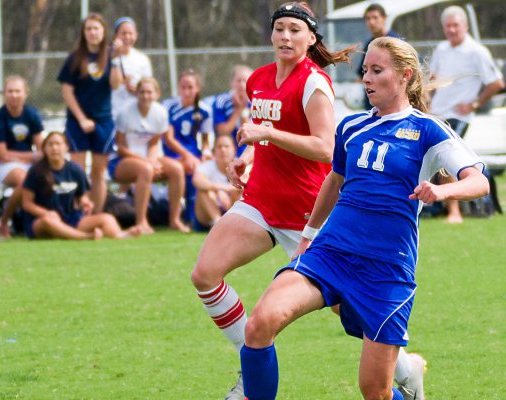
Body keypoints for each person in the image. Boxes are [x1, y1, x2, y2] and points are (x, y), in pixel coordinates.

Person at [241, 36, 488, 400]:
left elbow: (479, 181)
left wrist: (442, 191)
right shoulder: (351, 126)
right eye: (365, 71)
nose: (366, 79)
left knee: (375, 391)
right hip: (330, 253)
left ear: (404, 76)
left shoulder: (428, 129)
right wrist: (309, 234)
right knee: (259, 325)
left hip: (385, 269)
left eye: (376, 70)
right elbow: (334, 181)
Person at [187, 4, 352, 399]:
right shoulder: (259, 79)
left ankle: (405, 370)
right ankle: (252, 366)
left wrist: (267, 135)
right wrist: (247, 157)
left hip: (306, 212)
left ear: (311, 39)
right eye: (279, 28)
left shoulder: (314, 83)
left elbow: (325, 147)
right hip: (260, 202)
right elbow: (264, 137)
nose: (285, 36)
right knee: (205, 275)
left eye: (295, 29)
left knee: (350, 312)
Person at [428, 5, 504, 224]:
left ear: (465, 26)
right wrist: (426, 100)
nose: (451, 30)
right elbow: (433, 77)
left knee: (445, 157)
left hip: (458, 116)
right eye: (448, 26)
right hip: (437, 113)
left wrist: (474, 104)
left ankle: (455, 212)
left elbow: (496, 83)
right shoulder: (442, 49)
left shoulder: (476, 51)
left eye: (455, 25)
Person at [58, 12, 123, 215]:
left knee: (98, 172)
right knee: (77, 170)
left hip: (102, 120)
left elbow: (115, 84)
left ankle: (97, 216)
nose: (93, 33)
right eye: (89, 29)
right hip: (79, 121)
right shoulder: (75, 58)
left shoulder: (111, 56)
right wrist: (82, 119)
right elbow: (67, 91)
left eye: (96, 28)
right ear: (83, 33)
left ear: (104, 32)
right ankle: (78, 213)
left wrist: (116, 60)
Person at [22, 131, 139, 240]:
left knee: (106, 218)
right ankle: (84, 236)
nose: (55, 148)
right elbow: (27, 203)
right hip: (42, 221)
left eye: (58, 144)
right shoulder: (36, 171)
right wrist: (46, 213)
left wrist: (86, 203)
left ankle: (120, 235)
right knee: (48, 221)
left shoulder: (75, 170)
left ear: (66, 147)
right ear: (44, 149)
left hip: (69, 218)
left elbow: (82, 196)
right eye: (50, 145)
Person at [112, 77, 187, 233]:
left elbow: (154, 143)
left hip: (148, 159)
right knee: (145, 169)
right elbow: (120, 148)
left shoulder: (160, 112)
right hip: (124, 160)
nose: (145, 96)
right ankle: (141, 222)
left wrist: (153, 160)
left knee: (177, 169)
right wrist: (148, 162)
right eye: (141, 92)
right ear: (136, 94)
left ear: (156, 94)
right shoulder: (125, 113)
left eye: (149, 92)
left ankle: (174, 220)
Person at [0, 76, 44, 237]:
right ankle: (4, 222)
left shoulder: (32, 114)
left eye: (18, 91)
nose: (14, 95)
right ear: (4, 94)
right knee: (25, 181)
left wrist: (26, 157)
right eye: (10, 91)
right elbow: (2, 155)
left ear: (25, 93)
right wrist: (31, 157)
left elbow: (41, 150)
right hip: (4, 167)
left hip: (26, 164)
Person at [161, 69, 214, 228]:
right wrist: (187, 155)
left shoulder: (204, 110)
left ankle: (194, 217)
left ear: (197, 88)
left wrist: (206, 152)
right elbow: (168, 138)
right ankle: (179, 217)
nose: (186, 91)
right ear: (178, 88)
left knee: (199, 170)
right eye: (183, 87)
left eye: (190, 87)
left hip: (193, 154)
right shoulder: (168, 106)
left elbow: (205, 140)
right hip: (171, 154)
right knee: (192, 167)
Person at [355, 3, 404, 110]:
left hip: (392, 107)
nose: (371, 22)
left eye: (375, 18)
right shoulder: (369, 45)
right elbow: (361, 74)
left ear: (384, 19)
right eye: (368, 19)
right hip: (371, 106)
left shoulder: (397, 42)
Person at [191, 136, 241, 231]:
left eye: (226, 146)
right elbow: (197, 180)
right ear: (214, 151)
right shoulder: (207, 166)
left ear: (234, 150)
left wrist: (228, 190)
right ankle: (217, 222)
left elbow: (248, 182)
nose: (223, 150)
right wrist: (219, 190)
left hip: (231, 207)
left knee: (242, 190)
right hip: (206, 215)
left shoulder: (241, 165)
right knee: (203, 190)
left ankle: (237, 222)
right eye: (219, 147)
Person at [110, 16, 153, 121]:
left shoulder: (142, 59)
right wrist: (120, 81)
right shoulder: (107, 56)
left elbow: (149, 86)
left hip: (136, 115)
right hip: (113, 113)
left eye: (130, 33)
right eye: (123, 33)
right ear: (116, 36)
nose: (127, 37)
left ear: (136, 35)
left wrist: (137, 90)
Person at [208, 65, 253, 156]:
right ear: (232, 83)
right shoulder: (221, 101)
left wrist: (243, 112)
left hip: (248, 151)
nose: (241, 84)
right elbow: (222, 132)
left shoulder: (256, 102)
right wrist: (238, 110)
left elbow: (249, 136)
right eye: (238, 80)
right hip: (225, 152)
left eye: (245, 81)